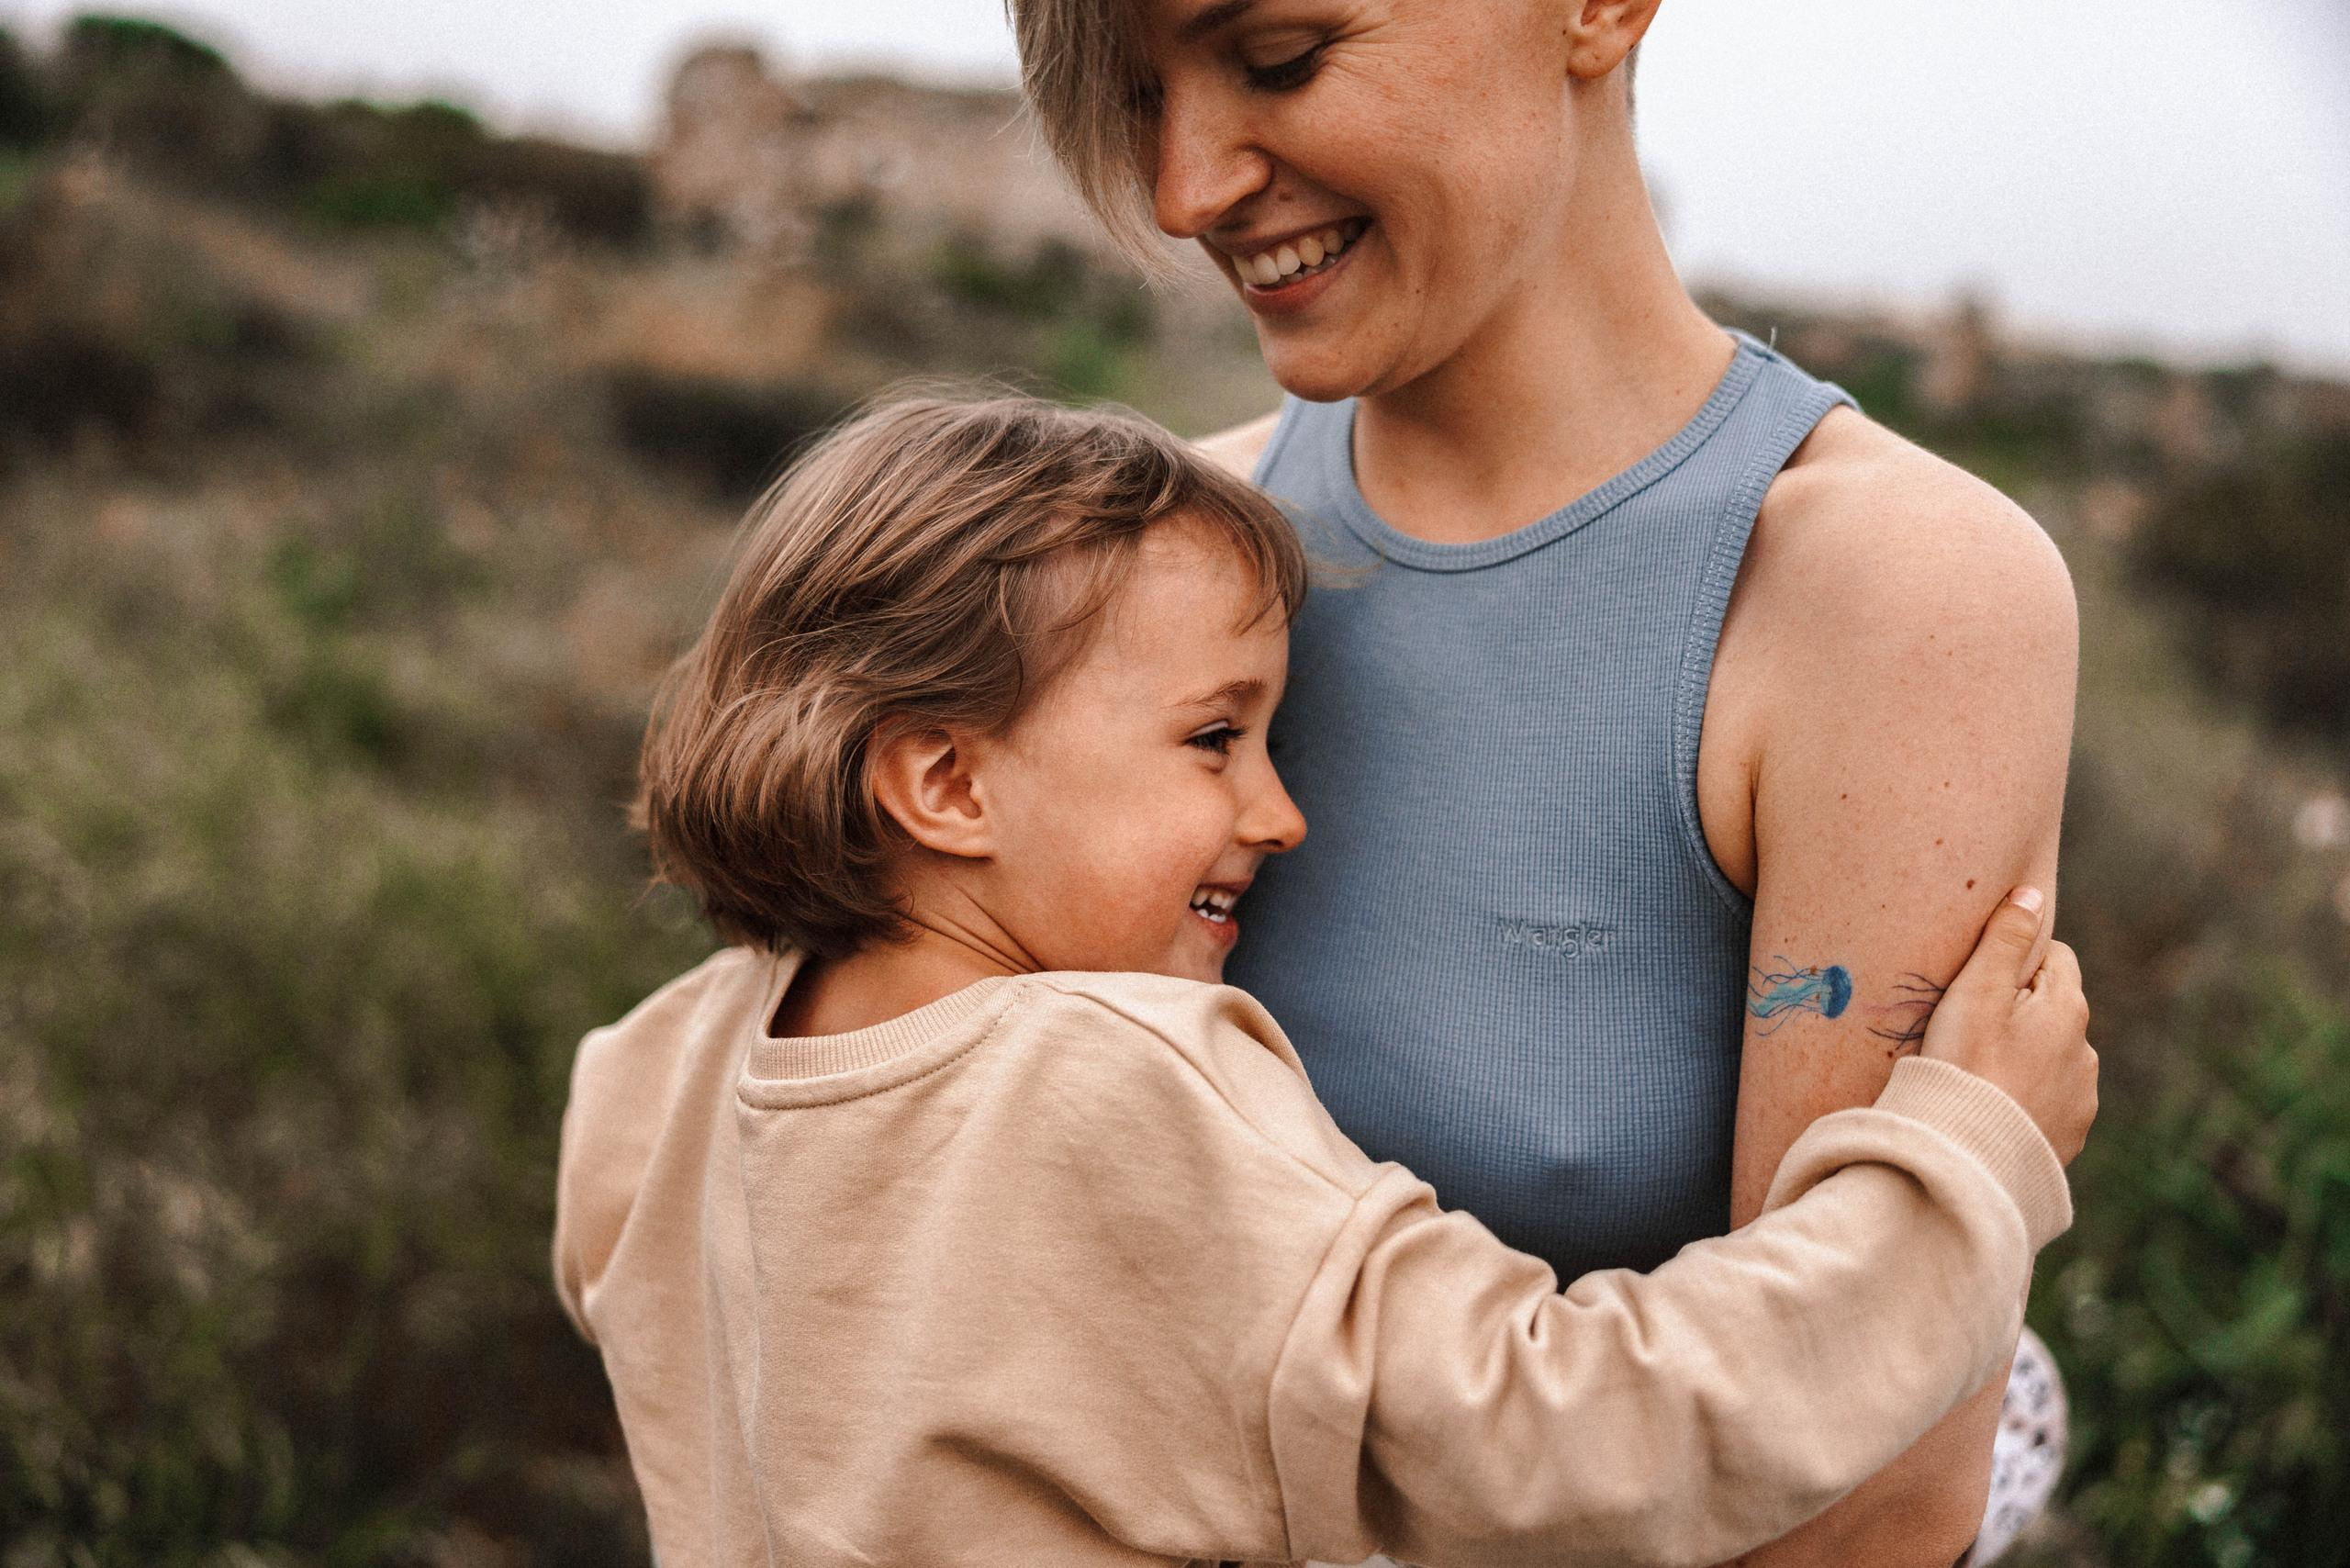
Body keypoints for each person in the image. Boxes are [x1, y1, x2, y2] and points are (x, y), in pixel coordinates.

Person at [553, 395, 2095, 1568]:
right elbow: (1574, 1431)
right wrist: (1957, 1165)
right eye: (1217, 738)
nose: (1281, 813)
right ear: (945, 781)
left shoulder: (657, 1072)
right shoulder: (1111, 1079)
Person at [1008, 3, 2083, 1561]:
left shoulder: (1892, 598)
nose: (1182, 191)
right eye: (1133, 94)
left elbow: (1861, 1507)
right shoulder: (1152, 574)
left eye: (1282, 57)